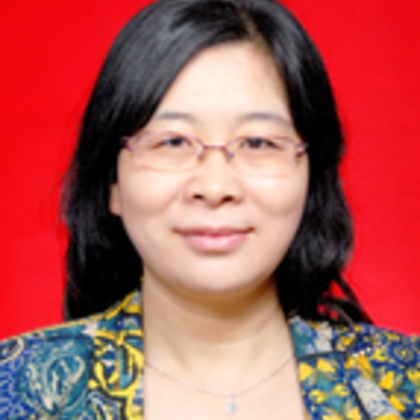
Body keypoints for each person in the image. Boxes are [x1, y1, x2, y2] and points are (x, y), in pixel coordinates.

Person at [0, 0, 419, 419]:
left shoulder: (407, 388)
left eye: (258, 143)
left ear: (311, 178)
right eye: (172, 142)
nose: (215, 188)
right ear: (113, 183)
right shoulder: (14, 391)